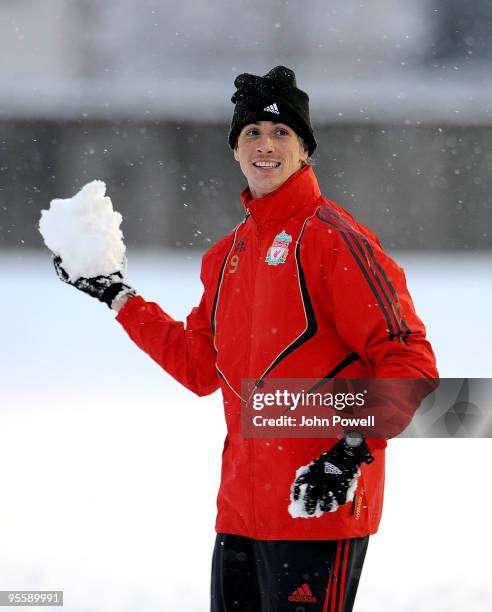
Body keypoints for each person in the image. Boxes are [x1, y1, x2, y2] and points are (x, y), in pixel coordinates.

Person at [53, 66, 438, 611]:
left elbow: (410, 361)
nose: (265, 145)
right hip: (240, 515)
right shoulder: (227, 255)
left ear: (305, 149)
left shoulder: (336, 240)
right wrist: (119, 297)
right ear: (235, 149)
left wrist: (349, 454)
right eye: (251, 133)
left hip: (316, 508)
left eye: (282, 133)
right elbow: (199, 368)